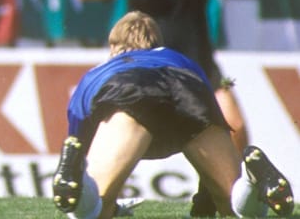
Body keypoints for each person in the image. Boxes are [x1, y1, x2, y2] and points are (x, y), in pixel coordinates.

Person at [52, 11, 294, 219]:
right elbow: (208, 114)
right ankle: (252, 179)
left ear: (114, 46)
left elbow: (78, 138)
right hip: (188, 87)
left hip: (130, 89)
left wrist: (85, 174)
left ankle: (81, 185)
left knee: (92, 208)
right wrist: (207, 194)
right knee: (236, 207)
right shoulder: (181, 60)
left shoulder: (101, 70)